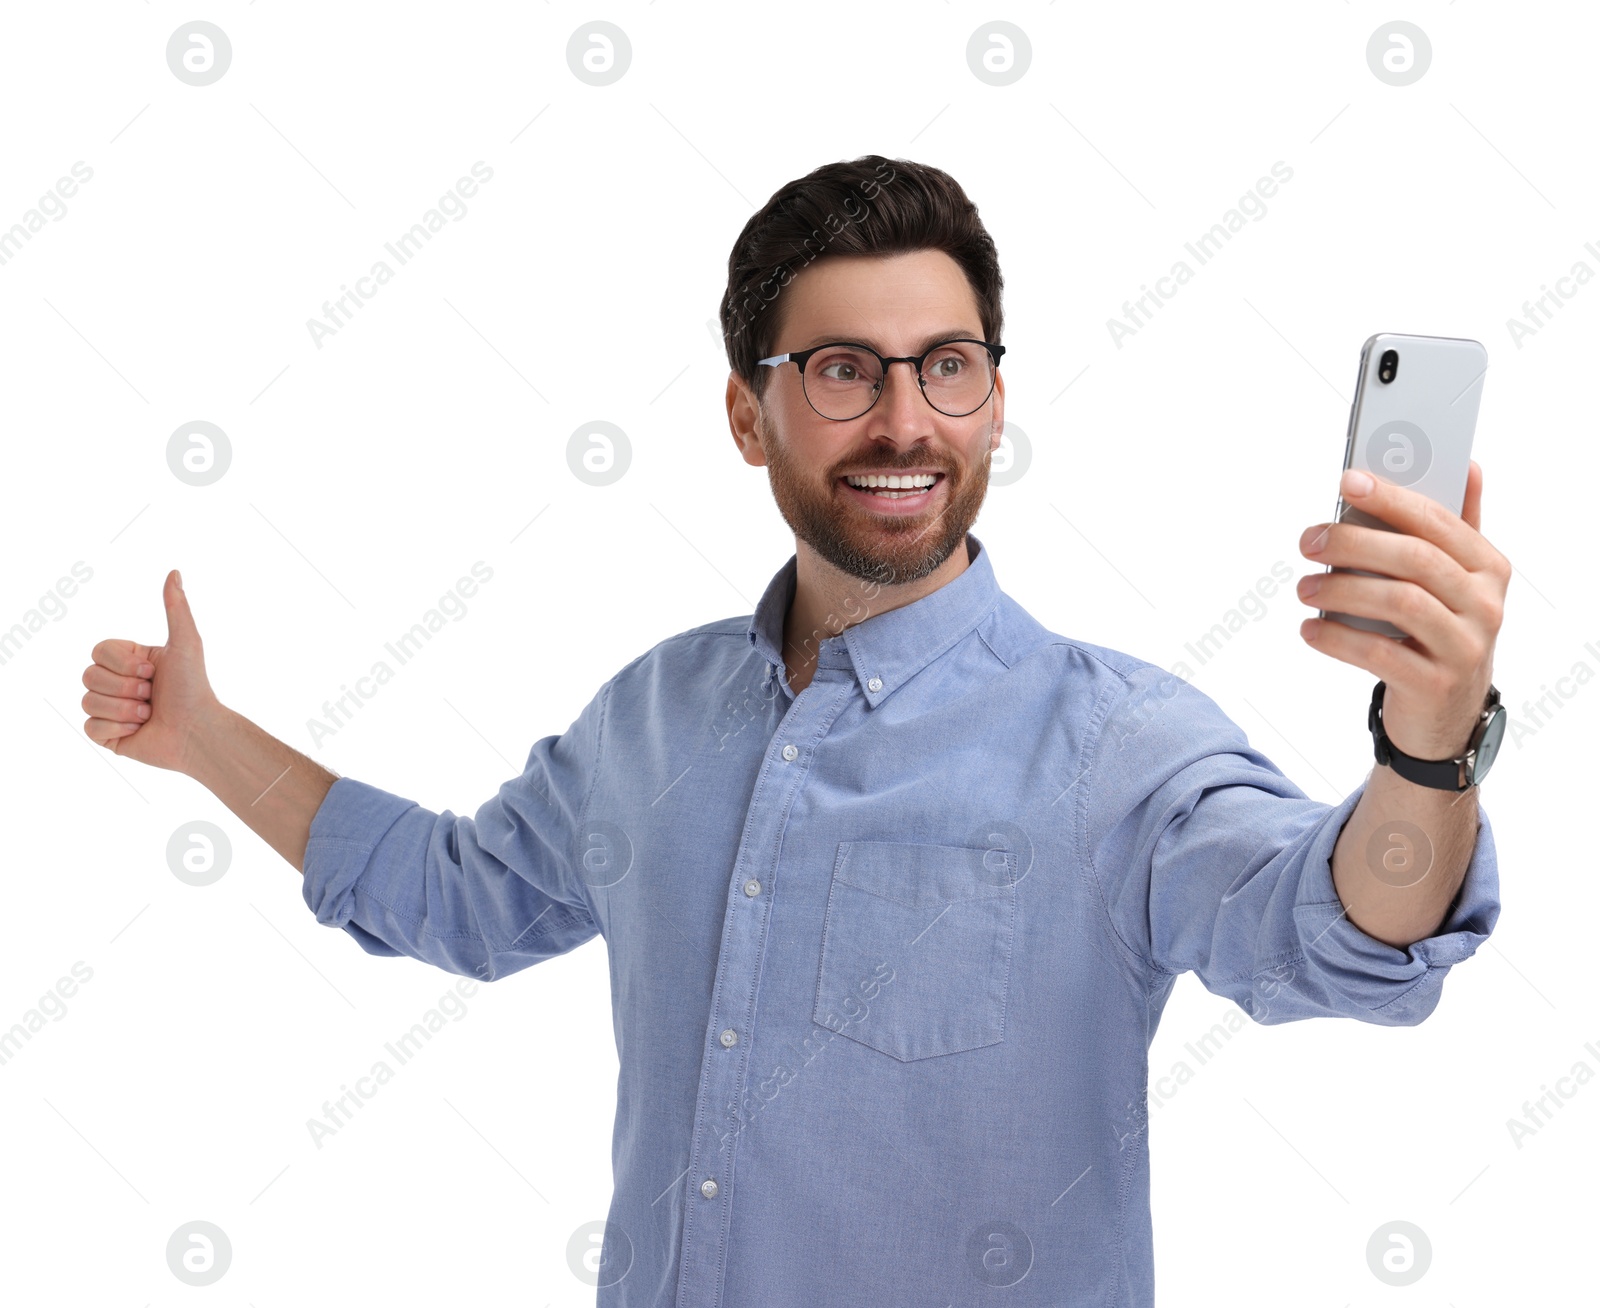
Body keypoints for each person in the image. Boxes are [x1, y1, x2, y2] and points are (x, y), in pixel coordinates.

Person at [80, 155, 1508, 1307]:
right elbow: (457, 896)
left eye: (947, 366)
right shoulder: (652, 714)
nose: (904, 421)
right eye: (841, 370)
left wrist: (1427, 744)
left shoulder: (1119, 744)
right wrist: (206, 737)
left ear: (995, 401)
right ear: (746, 415)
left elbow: (1343, 931)